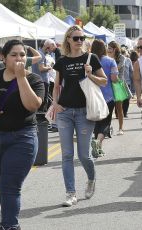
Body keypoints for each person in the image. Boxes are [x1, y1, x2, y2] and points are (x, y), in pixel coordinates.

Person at [0, 39, 45, 230]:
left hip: (22, 138)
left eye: (22, 55)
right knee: (1, 187)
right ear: (4, 58)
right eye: (13, 55)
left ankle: (9, 226)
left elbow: (32, 105)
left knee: (9, 187)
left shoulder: (33, 79)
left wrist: (21, 78)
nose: (19, 58)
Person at [53, 25, 107, 206]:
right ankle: (71, 193)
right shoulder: (61, 61)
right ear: (68, 39)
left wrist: (90, 74)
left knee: (84, 155)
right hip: (65, 112)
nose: (79, 41)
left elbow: (104, 81)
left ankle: (91, 178)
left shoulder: (91, 58)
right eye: (76, 38)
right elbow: (56, 85)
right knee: (67, 154)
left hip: (85, 112)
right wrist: (55, 103)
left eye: (82, 38)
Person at [91, 39, 118, 157]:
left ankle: (98, 149)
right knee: (106, 122)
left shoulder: (89, 60)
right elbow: (114, 79)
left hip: (94, 96)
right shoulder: (111, 61)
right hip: (108, 96)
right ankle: (98, 142)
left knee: (97, 122)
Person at [107, 41, 126, 135]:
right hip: (109, 84)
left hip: (118, 84)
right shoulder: (108, 57)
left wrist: (111, 58)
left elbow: (116, 68)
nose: (108, 50)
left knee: (119, 108)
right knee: (108, 107)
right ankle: (107, 128)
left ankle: (121, 128)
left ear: (115, 49)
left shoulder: (121, 57)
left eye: (110, 48)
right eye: (108, 48)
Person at [121, 48, 133, 118]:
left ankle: (124, 112)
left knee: (126, 98)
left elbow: (131, 71)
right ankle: (120, 113)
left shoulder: (128, 60)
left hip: (127, 81)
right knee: (120, 98)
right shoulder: (116, 60)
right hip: (119, 81)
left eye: (123, 53)